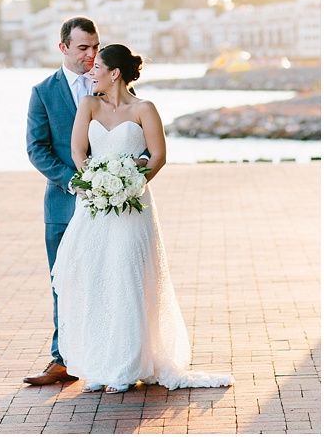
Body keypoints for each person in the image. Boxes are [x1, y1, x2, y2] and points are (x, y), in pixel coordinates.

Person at [51, 44, 233, 393]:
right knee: (96, 277)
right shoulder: (88, 104)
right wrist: (97, 185)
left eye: (97, 67)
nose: (90, 72)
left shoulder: (144, 108)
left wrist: (128, 185)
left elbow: (158, 156)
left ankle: (128, 364)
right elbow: (78, 151)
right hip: (95, 205)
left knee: (127, 276)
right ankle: (101, 365)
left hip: (132, 204)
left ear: (114, 73)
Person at [23, 16, 99, 386]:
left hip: (108, 207)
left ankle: (105, 355)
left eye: (95, 47)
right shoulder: (43, 92)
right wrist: (74, 182)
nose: (91, 54)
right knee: (63, 283)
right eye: (83, 47)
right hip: (63, 206)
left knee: (106, 280)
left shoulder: (107, 83)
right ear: (64, 48)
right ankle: (62, 359)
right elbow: (36, 150)